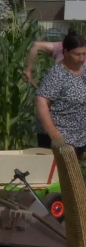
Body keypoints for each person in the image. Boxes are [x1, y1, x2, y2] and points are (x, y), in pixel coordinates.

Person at [35, 29, 86, 157]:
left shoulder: (83, 71)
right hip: (59, 140)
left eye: (84, 54)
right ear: (65, 52)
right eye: (77, 54)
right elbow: (41, 101)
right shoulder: (57, 74)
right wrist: (53, 132)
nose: (81, 58)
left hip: (79, 138)